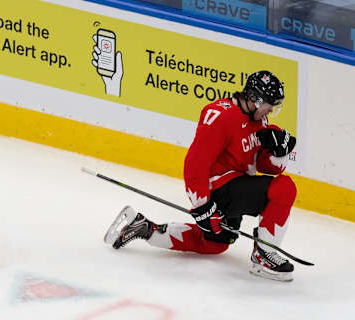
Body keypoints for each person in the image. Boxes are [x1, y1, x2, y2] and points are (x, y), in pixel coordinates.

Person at [104, 70, 298, 282]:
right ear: (253, 99)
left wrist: (280, 152)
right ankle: (264, 256)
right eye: (269, 104)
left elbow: (264, 166)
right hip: (219, 189)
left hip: (236, 186)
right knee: (284, 188)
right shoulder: (220, 116)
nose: (271, 110)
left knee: (216, 243)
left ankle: (144, 227)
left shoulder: (259, 120)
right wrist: (203, 207)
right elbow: (195, 165)